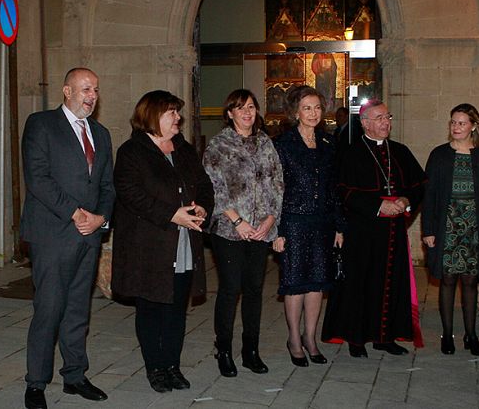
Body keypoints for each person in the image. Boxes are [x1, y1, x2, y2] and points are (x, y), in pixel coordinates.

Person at [20, 68, 114, 408]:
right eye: (85, 88)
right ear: (66, 90)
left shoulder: (101, 134)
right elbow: (38, 178)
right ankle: (36, 383)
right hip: (53, 235)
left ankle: (75, 375)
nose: (92, 95)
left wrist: (101, 218)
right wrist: (77, 214)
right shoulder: (41, 124)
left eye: (96, 89)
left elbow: (107, 185)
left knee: (78, 309)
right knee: (49, 308)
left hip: (88, 236)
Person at [112, 90, 214, 392]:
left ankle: (172, 365)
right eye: (172, 112)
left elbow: (205, 184)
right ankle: (155, 368)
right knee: (151, 310)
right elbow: (131, 194)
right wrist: (172, 214)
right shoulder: (132, 152)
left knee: (176, 309)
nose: (178, 118)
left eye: (177, 112)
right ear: (152, 115)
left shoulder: (184, 149)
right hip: (149, 247)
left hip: (183, 245)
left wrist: (202, 207)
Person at [321, 99, 426, 357]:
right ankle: (357, 339)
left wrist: (405, 200)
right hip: (362, 232)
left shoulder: (400, 151)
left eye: (387, 117)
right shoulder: (351, 153)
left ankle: (385, 337)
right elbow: (343, 191)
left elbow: (420, 183)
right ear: (365, 123)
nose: (385, 123)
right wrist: (378, 206)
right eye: (379, 118)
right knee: (361, 284)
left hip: (393, 235)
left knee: (391, 283)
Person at [203, 89, 284, 377]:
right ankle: (223, 349)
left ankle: (251, 350)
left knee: (254, 290)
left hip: (261, 229)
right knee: (230, 289)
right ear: (230, 114)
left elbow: (277, 183)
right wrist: (239, 222)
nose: (247, 112)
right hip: (228, 230)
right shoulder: (218, 145)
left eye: (251, 106)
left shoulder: (265, 143)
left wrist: (269, 220)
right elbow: (214, 189)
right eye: (240, 108)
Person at [272, 86, 344, 367]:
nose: (313, 113)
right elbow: (274, 191)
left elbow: (333, 188)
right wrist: (276, 230)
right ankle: (293, 339)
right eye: (307, 108)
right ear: (295, 112)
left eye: (316, 108)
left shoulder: (328, 144)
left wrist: (339, 226)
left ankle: (310, 338)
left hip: (323, 223)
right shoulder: (282, 145)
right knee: (295, 285)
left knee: (317, 285)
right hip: (293, 222)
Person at [422, 104, 479, 356]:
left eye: (462, 123)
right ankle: (447, 334)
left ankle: (471, 334)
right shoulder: (439, 155)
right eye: (453, 122)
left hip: (474, 227)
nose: (456, 127)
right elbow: (430, 195)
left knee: (469, 282)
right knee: (447, 280)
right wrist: (429, 230)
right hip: (447, 226)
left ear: (473, 126)